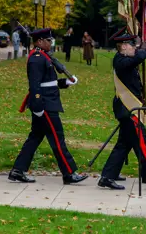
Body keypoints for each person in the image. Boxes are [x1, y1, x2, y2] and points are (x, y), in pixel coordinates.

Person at [98, 27, 146, 192]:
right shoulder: (120, 60)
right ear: (124, 46)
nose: (134, 48)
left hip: (129, 108)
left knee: (123, 145)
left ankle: (107, 177)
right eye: (132, 45)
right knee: (142, 144)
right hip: (128, 109)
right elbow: (137, 58)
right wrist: (144, 50)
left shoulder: (125, 60)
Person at [9, 28, 88, 184]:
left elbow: (48, 83)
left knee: (35, 138)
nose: (51, 43)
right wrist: (38, 107)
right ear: (39, 42)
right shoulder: (37, 58)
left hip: (47, 101)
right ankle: (69, 173)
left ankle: (18, 170)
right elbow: (35, 85)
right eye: (48, 41)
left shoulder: (43, 56)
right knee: (58, 139)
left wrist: (65, 82)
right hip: (45, 105)